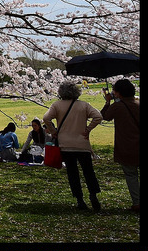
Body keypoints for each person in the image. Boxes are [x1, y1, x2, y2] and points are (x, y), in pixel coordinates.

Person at [43, 80, 103, 211]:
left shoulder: (57, 105)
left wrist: (54, 132)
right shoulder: (84, 105)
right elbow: (98, 116)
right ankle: (93, 195)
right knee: (88, 171)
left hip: (65, 145)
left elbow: (46, 118)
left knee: (72, 172)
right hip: (82, 144)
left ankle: (80, 200)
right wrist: (88, 129)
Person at [100, 78, 139, 212]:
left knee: (131, 175)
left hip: (127, 146)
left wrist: (107, 102)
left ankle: (137, 202)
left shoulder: (117, 107)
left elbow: (104, 116)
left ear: (119, 93)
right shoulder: (138, 104)